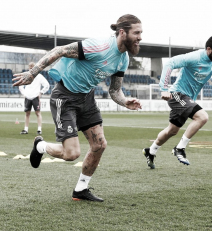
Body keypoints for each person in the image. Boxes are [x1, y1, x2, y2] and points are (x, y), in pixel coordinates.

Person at [13, 14, 143, 202]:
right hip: (65, 98)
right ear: (122, 33)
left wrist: (125, 101)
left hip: (87, 99)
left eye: (141, 33)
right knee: (72, 154)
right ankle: (40, 146)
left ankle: (81, 189)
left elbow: (115, 91)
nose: (140, 37)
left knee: (99, 145)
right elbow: (59, 50)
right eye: (137, 32)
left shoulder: (123, 59)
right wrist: (33, 73)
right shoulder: (99, 47)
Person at [143, 35, 212, 169]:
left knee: (172, 131)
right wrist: (164, 88)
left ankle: (150, 151)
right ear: (209, 49)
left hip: (188, 99)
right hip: (177, 94)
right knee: (202, 117)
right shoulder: (194, 57)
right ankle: (179, 148)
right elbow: (170, 63)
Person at [19, 62, 50, 135]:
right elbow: (20, 85)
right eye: (30, 68)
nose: (31, 69)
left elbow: (46, 85)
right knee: (27, 113)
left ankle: (39, 129)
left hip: (35, 97)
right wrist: (24, 93)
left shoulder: (39, 76)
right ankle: (25, 129)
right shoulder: (25, 75)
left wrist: (41, 93)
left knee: (38, 113)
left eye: (32, 68)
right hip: (27, 96)